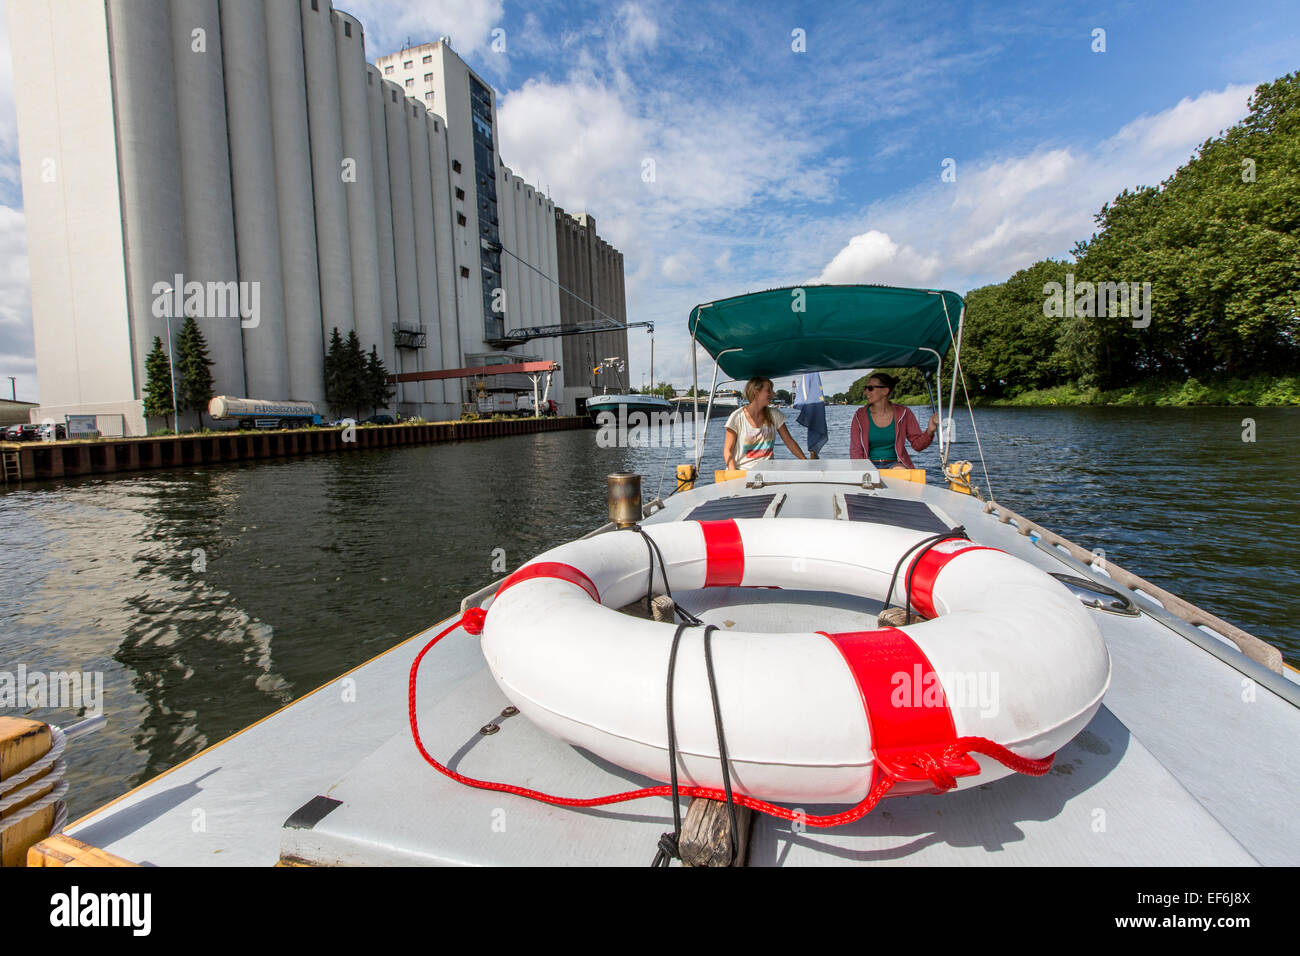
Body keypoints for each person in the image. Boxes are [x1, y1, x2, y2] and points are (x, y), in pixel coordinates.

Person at [848, 372, 938, 468]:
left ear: (885, 391)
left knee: (899, 471)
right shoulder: (859, 416)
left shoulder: (904, 412)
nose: (866, 392)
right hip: (869, 466)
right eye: (865, 389)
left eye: (870, 388)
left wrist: (930, 431)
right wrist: (862, 471)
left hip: (896, 465)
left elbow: (917, 446)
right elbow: (856, 451)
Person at [724, 377, 807, 471]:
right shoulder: (737, 417)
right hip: (741, 472)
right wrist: (733, 474)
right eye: (769, 390)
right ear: (756, 392)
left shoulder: (774, 415)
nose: (773, 394)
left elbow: (790, 442)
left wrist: (806, 462)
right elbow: (728, 451)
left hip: (767, 473)